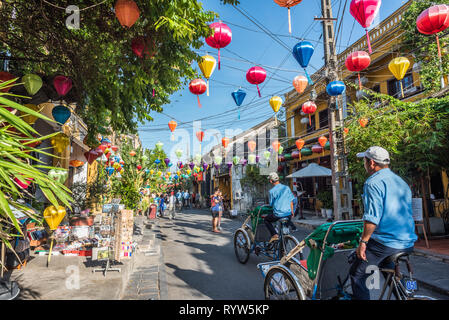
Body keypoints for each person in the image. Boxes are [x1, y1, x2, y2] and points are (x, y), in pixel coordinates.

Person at [349, 146, 418, 300]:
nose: (364, 164)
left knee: (357, 274)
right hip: (407, 241)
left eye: (365, 161)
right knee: (388, 268)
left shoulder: (372, 183)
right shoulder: (401, 182)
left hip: (386, 243)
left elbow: (372, 218)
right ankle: (406, 295)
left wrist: (363, 241)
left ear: (371, 163)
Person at [265, 172, 295, 243]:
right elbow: (291, 201)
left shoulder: (272, 191)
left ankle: (274, 234)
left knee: (266, 220)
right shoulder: (287, 188)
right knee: (285, 229)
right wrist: (292, 212)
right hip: (288, 214)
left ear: (271, 181)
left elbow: (271, 204)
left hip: (278, 215)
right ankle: (284, 245)